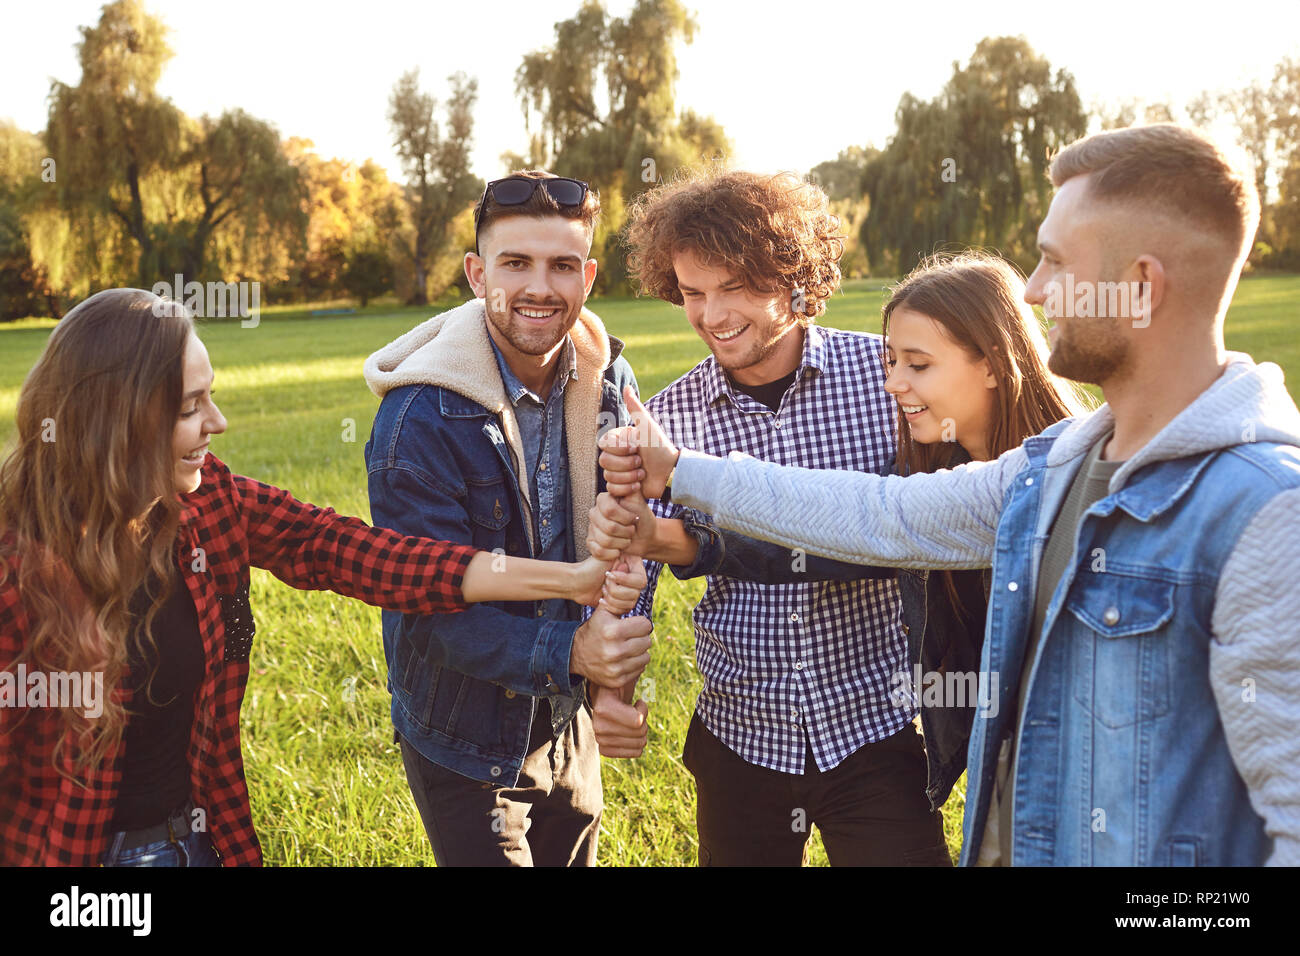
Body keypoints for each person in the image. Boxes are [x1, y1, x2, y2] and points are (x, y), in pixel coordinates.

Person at [600, 124, 1300, 866]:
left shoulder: (1266, 510)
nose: (1028, 289)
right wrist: (681, 473)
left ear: (1140, 286)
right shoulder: (1055, 468)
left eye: (1055, 262)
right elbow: (881, 517)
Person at [0, 288, 643, 867]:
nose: (217, 423)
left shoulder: (208, 503)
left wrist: (570, 581)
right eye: (190, 407)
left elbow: (357, 555)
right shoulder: (17, 570)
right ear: (117, 419)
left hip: (200, 840)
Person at [589, 250, 1092, 820]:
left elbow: (872, 517)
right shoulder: (953, 465)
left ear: (994, 364)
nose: (894, 384)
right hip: (996, 767)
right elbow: (848, 538)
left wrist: (681, 472)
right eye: (893, 362)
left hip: (1059, 767)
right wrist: (685, 542)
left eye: (918, 365)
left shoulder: (1041, 483)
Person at [583, 168, 949, 866]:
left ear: (794, 277)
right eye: (693, 292)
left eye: (737, 287)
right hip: (741, 737)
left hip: (873, 731)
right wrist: (616, 693)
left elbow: (919, 531)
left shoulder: (883, 379)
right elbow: (637, 570)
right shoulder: (671, 413)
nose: (713, 314)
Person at [363, 170, 651, 867]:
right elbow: (430, 607)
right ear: (475, 272)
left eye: (560, 266)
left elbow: (632, 543)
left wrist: (614, 685)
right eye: (515, 263)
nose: (538, 288)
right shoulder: (418, 416)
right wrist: (576, 656)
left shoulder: (611, 382)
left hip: (568, 720)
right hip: (464, 735)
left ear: (587, 276)